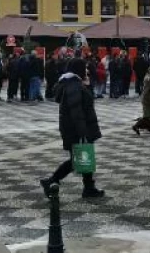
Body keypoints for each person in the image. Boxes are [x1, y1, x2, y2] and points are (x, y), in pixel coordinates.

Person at [40, 58, 104, 199]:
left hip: (74, 128)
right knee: (77, 159)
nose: (87, 70)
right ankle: (52, 180)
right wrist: (83, 133)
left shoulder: (72, 83)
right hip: (77, 130)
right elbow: (76, 111)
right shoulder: (74, 85)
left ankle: (88, 187)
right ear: (78, 69)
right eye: (84, 68)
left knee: (82, 157)